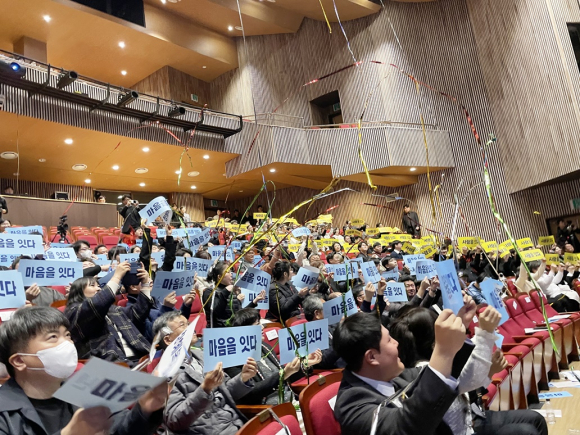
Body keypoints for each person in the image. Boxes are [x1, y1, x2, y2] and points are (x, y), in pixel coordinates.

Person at [0, 306, 168, 435]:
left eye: (67, 335)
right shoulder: (4, 414)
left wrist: (144, 409)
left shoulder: (86, 387)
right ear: (19, 361)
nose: (68, 344)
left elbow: (120, 429)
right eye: (53, 337)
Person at [389, 306, 547, 435]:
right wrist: (485, 332)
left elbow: (466, 376)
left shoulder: (435, 362)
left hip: (469, 419)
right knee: (525, 432)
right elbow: (470, 377)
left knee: (535, 419)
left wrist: (464, 324)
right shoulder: (430, 373)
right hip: (466, 427)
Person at [333, 309, 472, 435]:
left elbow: (439, 375)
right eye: (389, 340)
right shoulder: (352, 406)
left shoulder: (388, 375)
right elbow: (406, 427)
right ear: (372, 357)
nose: (396, 343)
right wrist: (442, 351)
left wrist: (459, 330)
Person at [160, 317, 259, 434]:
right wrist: (205, 389)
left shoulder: (202, 355)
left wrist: (243, 378)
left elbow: (226, 392)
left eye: (189, 323)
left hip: (237, 424)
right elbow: (175, 421)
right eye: (183, 325)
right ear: (168, 339)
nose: (192, 328)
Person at [225, 308, 322, 404]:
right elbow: (250, 394)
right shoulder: (234, 360)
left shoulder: (264, 347)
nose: (262, 327)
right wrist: (283, 374)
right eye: (257, 325)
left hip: (289, 400)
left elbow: (286, 376)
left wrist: (304, 364)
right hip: (267, 408)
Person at [64, 263, 153, 364]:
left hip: (141, 357)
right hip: (109, 362)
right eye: (92, 285)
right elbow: (95, 305)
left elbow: (138, 314)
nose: (98, 288)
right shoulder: (74, 311)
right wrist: (117, 276)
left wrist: (145, 284)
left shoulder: (112, 309)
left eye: (98, 286)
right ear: (78, 291)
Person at [202, 261, 265, 328]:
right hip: (219, 331)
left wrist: (254, 302)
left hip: (234, 330)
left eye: (231, 271)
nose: (231, 274)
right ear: (219, 276)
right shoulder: (210, 292)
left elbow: (239, 316)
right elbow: (216, 313)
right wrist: (226, 291)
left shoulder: (231, 291)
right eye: (228, 272)